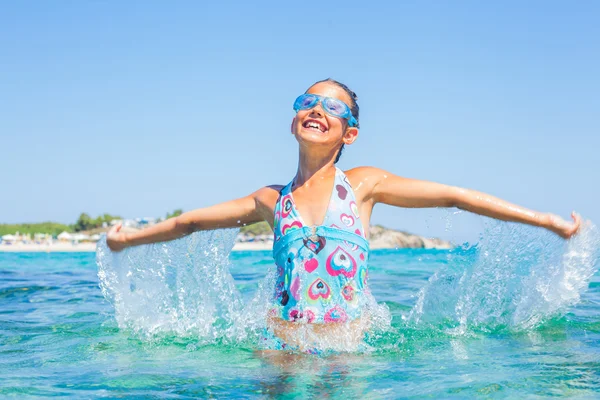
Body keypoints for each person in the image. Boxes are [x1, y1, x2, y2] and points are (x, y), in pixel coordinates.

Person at [106, 78, 581, 352]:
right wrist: (128, 240)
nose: (316, 108)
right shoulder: (271, 201)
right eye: (306, 102)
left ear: (348, 133)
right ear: (294, 121)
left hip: (348, 347)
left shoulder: (362, 185)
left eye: (332, 107)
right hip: (282, 348)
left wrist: (547, 221)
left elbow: (455, 197)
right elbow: (188, 223)